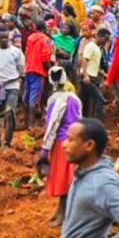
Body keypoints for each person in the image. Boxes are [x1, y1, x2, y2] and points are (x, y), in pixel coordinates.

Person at [40, 67, 81, 227]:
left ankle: (63, 215)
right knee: (69, 177)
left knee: (63, 179)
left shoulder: (54, 100)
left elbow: (52, 126)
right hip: (76, 140)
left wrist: (45, 149)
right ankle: (61, 211)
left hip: (61, 142)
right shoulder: (74, 98)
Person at [0, 25, 26, 148]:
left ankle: (7, 142)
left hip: (12, 85)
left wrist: (17, 80)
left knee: (10, 113)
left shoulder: (16, 52)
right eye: (1, 38)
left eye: (6, 37)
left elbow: (21, 68)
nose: (4, 40)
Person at [25, 20, 54, 130]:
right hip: (39, 71)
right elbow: (45, 58)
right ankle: (31, 125)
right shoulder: (46, 40)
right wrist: (50, 70)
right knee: (35, 98)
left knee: (27, 96)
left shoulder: (30, 38)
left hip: (29, 69)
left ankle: (27, 122)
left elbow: (27, 52)